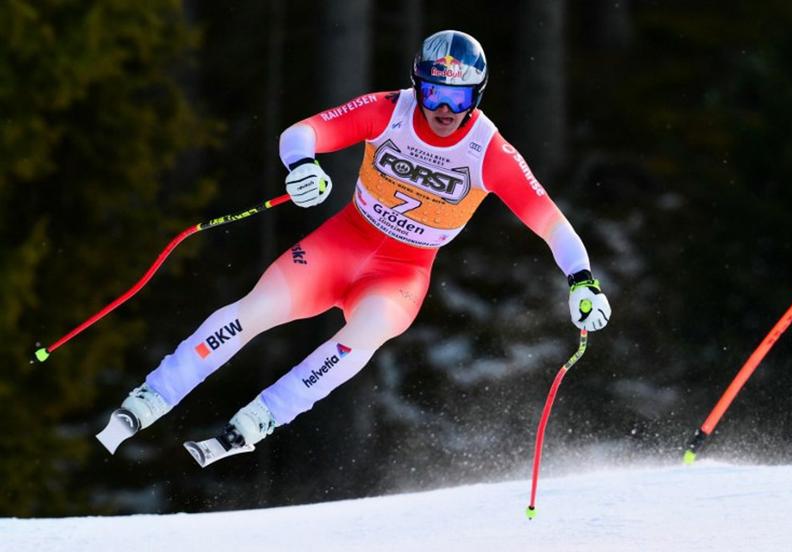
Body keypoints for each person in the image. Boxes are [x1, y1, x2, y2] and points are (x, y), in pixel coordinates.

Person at [97, 30, 611, 461]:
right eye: (434, 94)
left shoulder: (489, 149)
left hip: (402, 272)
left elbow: (552, 223)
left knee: (361, 336)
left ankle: (260, 419)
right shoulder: (389, 109)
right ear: (418, 87)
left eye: (459, 99)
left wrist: (581, 280)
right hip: (342, 242)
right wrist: (302, 166)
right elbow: (302, 133)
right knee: (254, 309)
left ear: (477, 97)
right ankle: (150, 398)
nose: (444, 111)